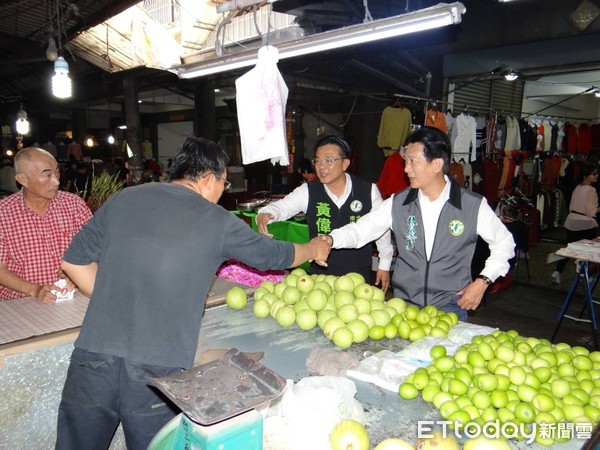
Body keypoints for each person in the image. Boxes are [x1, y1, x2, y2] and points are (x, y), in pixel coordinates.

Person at [56, 136, 331, 450]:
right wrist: (313, 247)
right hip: (157, 367)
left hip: (92, 356)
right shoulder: (216, 220)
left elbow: (72, 261)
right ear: (209, 178)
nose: (220, 193)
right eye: (224, 184)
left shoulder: (124, 199)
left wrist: (114, 297)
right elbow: (274, 256)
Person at [323, 127, 515, 321]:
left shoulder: (471, 205)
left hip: (451, 306)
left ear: (437, 164)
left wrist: (483, 281)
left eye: (412, 161)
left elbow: (505, 243)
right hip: (404, 306)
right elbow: (361, 230)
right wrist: (330, 239)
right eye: (406, 160)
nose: (406, 169)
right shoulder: (398, 203)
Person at [256, 135, 393, 291]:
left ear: (345, 163)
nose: (322, 167)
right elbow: (282, 207)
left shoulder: (368, 191)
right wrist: (265, 214)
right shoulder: (309, 191)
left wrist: (384, 264)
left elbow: (381, 229)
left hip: (358, 277)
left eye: (328, 160)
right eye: (318, 161)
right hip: (321, 276)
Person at [0, 147, 92, 302]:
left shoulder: (74, 205)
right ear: (23, 179)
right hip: (23, 301)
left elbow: (94, 250)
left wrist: (77, 275)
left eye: (57, 172)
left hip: (73, 297)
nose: (56, 180)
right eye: (47, 175)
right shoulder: (4, 214)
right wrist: (35, 290)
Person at [551, 163, 599, 284]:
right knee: (587, 251)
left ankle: (557, 272)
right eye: (593, 174)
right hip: (586, 223)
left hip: (572, 221)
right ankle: (585, 276)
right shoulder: (591, 190)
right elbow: (591, 211)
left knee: (570, 248)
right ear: (586, 176)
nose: (596, 176)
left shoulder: (577, 187)